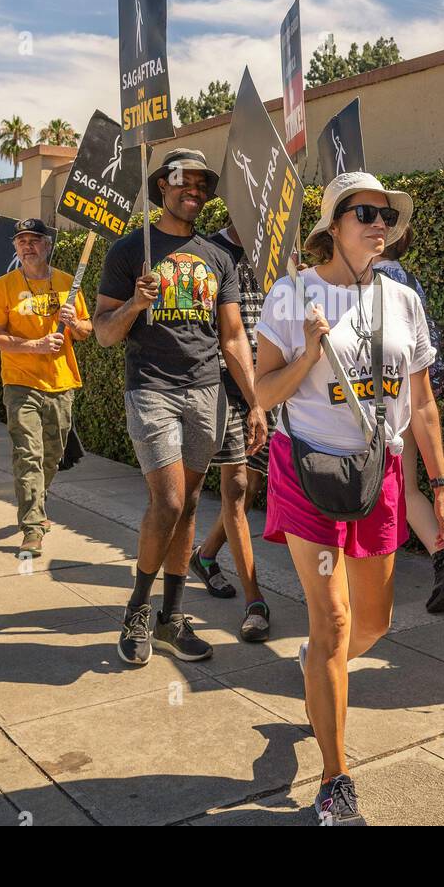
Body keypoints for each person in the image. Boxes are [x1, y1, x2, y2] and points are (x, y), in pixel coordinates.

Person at [255, 170, 444, 826]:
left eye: (385, 214)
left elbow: (422, 404)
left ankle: (321, 674)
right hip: (308, 470)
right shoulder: (290, 297)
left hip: (381, 475)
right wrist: (310, 349)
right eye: (364, 212)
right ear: (333, 225)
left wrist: (443, 483)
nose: (379, 223)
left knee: (373, 623)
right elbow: (262, 394)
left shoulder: (402, 299)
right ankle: (335, 779)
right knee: (336, 621)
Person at [93, 148, 260, 667]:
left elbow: (233, 338)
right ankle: (138, 611)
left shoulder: (219, 257)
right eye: (185, 181)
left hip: (207, 392)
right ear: (162, 185)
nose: (196, 191)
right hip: (152, 388)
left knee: (188, 506)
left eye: (203, 185)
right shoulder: (128, 251)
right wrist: (136, 304)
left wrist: (256, 404)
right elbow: (102, 333)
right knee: (166, 502)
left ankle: (171, 618)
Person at [374, 226, 444, 613]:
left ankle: (367, 574)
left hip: (380, 401)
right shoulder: (409, 280)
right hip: (416, 392)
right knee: (406, 487)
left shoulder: (370, 280)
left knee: (379, 488)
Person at [190, 218, 276, 642]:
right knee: (237, 488)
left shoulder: (279, 247)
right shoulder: (208, 250)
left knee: (254, 484)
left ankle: (205, 557)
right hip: (227, 385)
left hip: (272, 384)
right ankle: (254, 601)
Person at [0, 220, 88, 555]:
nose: (27, 246)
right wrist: (35, 345)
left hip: (61, 382)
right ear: (15, 247)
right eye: (21, 241)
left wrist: (73, 321)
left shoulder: (68, 284)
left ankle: (36, 504)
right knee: (29, 454)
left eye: (34, 240)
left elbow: (88, 330)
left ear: (47, 245)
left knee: (52, 457)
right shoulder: (4, 287)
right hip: (20, 384)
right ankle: (32, 527)